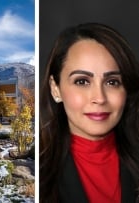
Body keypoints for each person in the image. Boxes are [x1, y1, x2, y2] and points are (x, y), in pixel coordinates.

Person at [39, 22, 139, 203]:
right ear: (56, 89)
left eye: (112, 82)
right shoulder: (39, 172)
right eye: (82, 81)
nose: (99, 98)